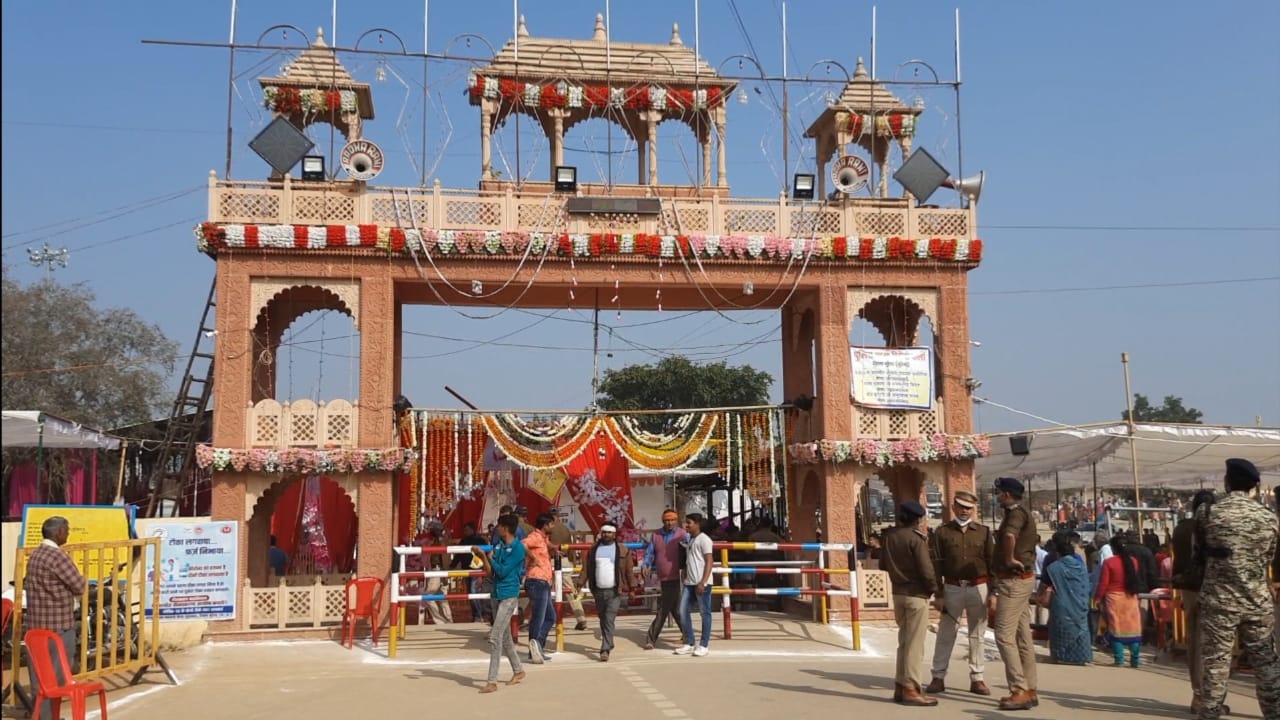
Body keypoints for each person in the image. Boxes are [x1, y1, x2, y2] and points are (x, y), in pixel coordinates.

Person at [1195, 458, 1280, 720]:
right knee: (1266, 661)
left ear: (1227, 482)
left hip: (1219, 601)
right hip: (1257, 601)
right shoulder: (1269, 518)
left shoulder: (1209, 513)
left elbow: (1199, 552)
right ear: (1255, 486)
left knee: (1216, 662)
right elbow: (1269, 557)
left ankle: (1210, 713)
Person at [926, 490, 993, 696]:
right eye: (961, 507)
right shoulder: (942, 532)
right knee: (946, 632)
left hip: (979, 587)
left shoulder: (984, 532)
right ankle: (938, 676)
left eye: (969, 508)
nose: (965, 511)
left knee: (977, 634)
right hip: (952, 587)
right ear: (953, 507)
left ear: (974, 510)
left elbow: (992, 563)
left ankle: (977, 678)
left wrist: (994, 592)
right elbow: (935, 564)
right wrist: (938, 594)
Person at [24, 516, 87, 720]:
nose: (67, 534)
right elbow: (79, 585)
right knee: (57, 679)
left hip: (36, 627)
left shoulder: (35, 555)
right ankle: (50, 717)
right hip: (58, 626)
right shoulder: (57, 556)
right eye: (66, 530)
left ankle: (41, 715)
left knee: (39, 677)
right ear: (58, 532)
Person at [987, 477, 1040, 711]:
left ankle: (1018, 689)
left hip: (1013, 581)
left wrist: (1008, 558)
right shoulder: (1021, 513)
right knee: (1022, 637)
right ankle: (1030, 687)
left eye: (999, 493)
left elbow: (1009, 535)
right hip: (1023, 580)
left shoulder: (1015, 514)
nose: (997, 497)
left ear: (1007, 494)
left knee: (1003, 635)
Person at [881, 500, 939, 707]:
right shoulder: (916, 540)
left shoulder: (889, 537)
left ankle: (900, 684)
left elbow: (882, 564)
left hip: (897, 593)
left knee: (904, 642)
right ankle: (911, 688)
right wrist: (934, 590)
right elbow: (926, 570)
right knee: (915, 645)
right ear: (919, 519)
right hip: (916, 594)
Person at [472, 513, 526, 694]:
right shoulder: (499, 545)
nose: (497, 529)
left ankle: (492, 681)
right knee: (505, 638)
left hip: (509, 595)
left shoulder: (518, 548)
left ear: (506, 528)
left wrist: (490, 558)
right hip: (497, 593)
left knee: (495, 637)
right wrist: (484, 557)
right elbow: (490, 572)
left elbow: (502, 571)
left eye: (499, 526)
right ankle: (518, 670)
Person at [583, 523, 635, 661]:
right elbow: (587, 568)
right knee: (603, 618)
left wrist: (632, 588)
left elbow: (629, 571)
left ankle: (604, 649)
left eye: (609, 532)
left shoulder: (622, 550)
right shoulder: (594, 549)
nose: (606, 535)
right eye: (604, 532)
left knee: (609, 618)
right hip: (598, 590)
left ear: (614, 534)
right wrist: (580, 582)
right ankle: (609, 641)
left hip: (614, 591)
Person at [1041, 531, 1093, 664]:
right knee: (1081, 630)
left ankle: (1061, 656)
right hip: (1080, 603)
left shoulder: (1053, 567)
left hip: (1062, 604)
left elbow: (1045, 582)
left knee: (1061, 630)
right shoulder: (1081, 566)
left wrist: (1041, 596)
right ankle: (1082, 657)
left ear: (1058, 553)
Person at [1094, 534, 1144, 667]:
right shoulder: (1133, 561)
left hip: (1114, 598)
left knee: (1116, 628)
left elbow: (1103, 583)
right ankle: (1135, 660)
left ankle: (1119, 659)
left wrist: (1098, 598)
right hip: (1131, 597)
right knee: (1133, 628)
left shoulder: (1109, 562)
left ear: (1113, 548)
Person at [641, 509, 688, 650]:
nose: (669, 522)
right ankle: (688, 635)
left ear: (676, 520)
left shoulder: (683, 535)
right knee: (675, 609)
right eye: (667, 520)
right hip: (664, 576)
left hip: (678, 576)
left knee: (665, 609)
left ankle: (651, 638)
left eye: (672, 519)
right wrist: (646, 564)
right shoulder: (656, 535)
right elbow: (650, 552)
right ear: (663, 521)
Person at [675, 512, 714, 657]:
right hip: (689, 582)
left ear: (697, 524)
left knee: (705, 613)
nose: (686, 525)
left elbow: (709, 560)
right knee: (682, 611)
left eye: (689, 522)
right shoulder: (690, 539)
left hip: (701, 582)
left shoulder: (704, 540)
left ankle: (704, 644)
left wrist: (703, 581)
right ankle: (689, 642)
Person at [521, 512, 557, 663]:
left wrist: (553, 548)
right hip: (536, 580)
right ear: (545, 525)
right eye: (552, 524)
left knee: (550, 617)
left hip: (543, 581)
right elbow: (522, 544)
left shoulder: (543, 538)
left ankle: (536, 646)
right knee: (539, 618)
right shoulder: (535, 537)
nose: (554, 527)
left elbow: (546, 544)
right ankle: (535, 646)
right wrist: (533, 557)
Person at [545, 514, 588, 631]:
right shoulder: (565, 529)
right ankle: (581, 618)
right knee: (570, 590)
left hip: (549, 560)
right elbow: (569, 547)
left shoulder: (546, 528)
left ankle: (535, 617)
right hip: (564, 560)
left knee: (543, 589)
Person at [452, 522, 492, 623]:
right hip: (466, 570)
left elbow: (487, 554)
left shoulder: (480, 540)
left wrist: (485, 567)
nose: (465, 532)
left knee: (474, 591)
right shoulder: (463, 541)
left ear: (472, 530)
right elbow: (458, 555)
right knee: (471, 593)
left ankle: (480, 615)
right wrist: (451, 566)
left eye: (466, 530)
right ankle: (476, 615)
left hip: (477, 570)